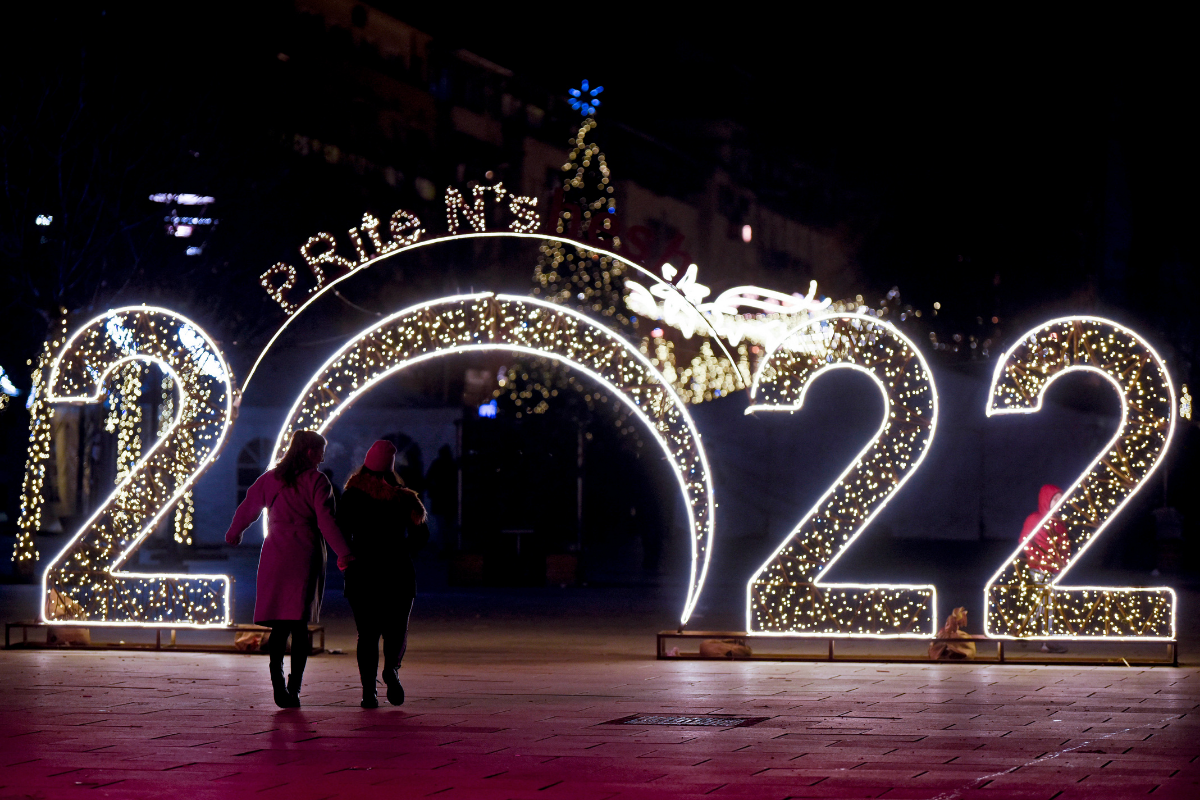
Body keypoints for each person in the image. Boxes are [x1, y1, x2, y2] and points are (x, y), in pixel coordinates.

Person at [225, 430, 353, 708]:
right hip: (304, 552)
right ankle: (294, 688)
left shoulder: (271, 478)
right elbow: (326, 522)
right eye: (321, 450)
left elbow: (249, 506)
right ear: (309, 452)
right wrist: (344, 553)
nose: (323, 456)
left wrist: (235, 531)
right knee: (298, 624)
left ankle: (278, 684)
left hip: (275, 551)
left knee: (279, 624)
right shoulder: (317, 481)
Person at [340, 440, 430, 708]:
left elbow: (340, 530)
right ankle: (392, 669)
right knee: (396, 630)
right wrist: (402, 549)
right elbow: (422, 535)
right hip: (398, 571)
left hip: (363, 571)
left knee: (366, 634)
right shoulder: (404, 497)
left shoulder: (352, 495)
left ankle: (369, 692)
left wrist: (349, 555)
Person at [1020, 483, 1071, 653]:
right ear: (1046, 500)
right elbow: (1024, 543)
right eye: (1055, 499)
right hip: (1039, 569)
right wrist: (1039, 560)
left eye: (1060, 499)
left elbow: (1065, 546)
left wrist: (1064, 562)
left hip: (1054, 570)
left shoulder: (1059, 523)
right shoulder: (1034, 520)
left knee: (1044, 603)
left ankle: (1023, 628)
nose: (1059, 502)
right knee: (1048, 601)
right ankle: (1046, 641)